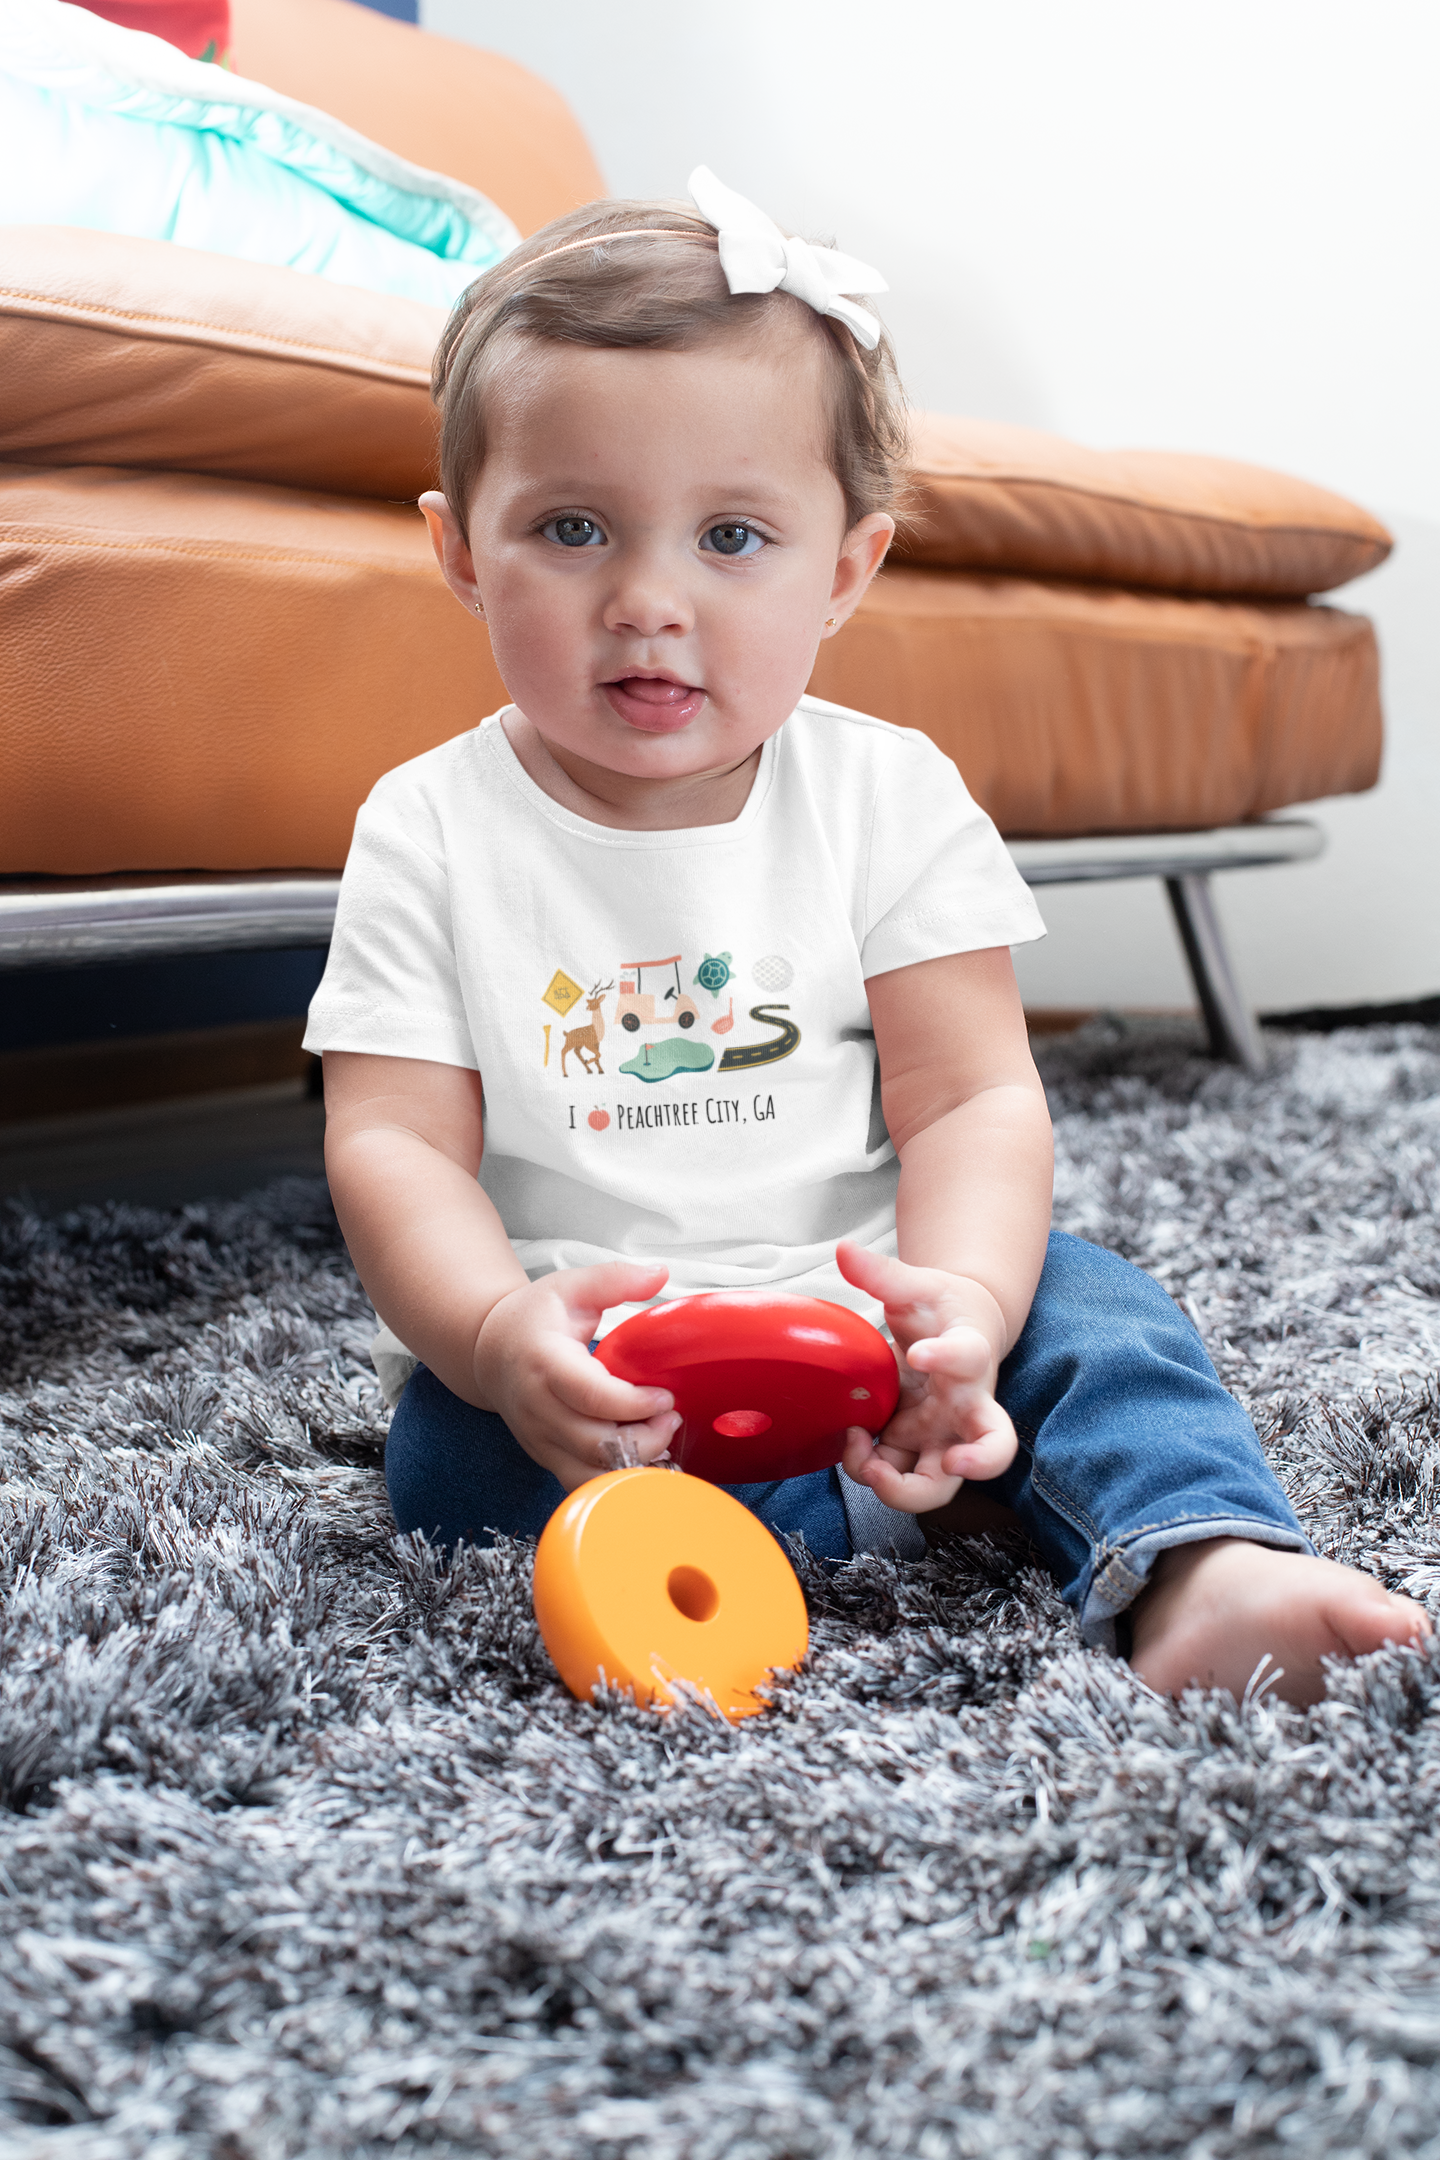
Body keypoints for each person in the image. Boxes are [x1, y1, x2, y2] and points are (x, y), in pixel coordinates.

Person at [305, 169, 1428, 1708]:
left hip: (873, 1299)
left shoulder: (886, 794)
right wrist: (501, 1335)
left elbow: (969, 1097)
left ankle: (1196, 1560)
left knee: (1097, 1309)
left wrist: (960, 1306)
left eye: (733, 537)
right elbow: (393, 1147)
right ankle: (819, 1531)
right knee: (445, 1450)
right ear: (459, 552)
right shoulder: (427, 824)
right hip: (596, 1340)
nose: (648, 600)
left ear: (846, 570)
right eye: (572, 528)